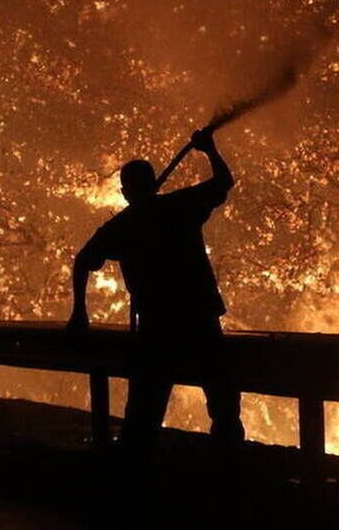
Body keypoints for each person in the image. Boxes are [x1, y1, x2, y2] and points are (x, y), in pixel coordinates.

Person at [67, 128, 245, 455]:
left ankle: (137, 475)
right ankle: (228, 466)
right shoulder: (180, 207)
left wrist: (80, 311)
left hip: (157, 327)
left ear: (124, 192)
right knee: (223, 403)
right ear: (152, 184)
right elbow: (224, 180)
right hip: (198, 320)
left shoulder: (122, 227)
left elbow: (82, 262)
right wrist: (209, 149)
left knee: (145, 411)